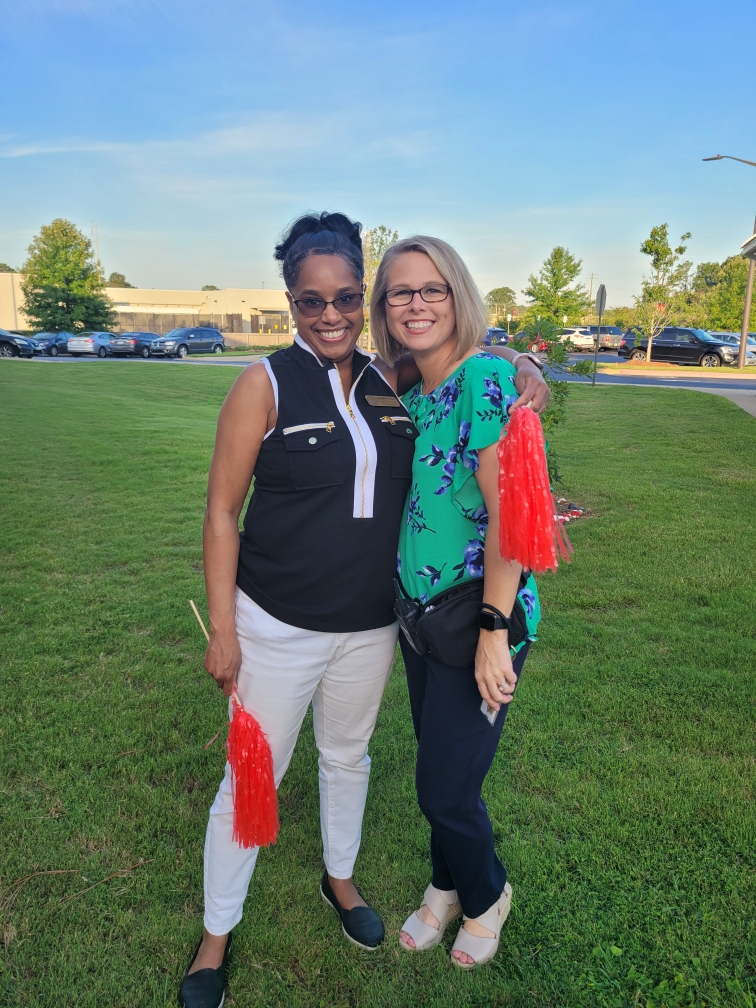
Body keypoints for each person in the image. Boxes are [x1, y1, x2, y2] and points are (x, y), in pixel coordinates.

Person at [178, 212, 548, 1008]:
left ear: (362, 299)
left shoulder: (386, 380)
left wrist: (520, 363)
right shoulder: (263, 384)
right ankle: (216, 934)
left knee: (348, 758)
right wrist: (224, 631)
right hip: (276, 624)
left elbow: (468, 364)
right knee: (251, 778)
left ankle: (340, 880)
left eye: (346, 297)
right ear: (291, 301)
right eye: (312, 301)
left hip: (377, 626)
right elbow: (220, 514)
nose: (331, 315)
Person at [370, 235, 541, 970]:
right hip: (422, 619)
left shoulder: (484, 381)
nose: (416, 304)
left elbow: (511, 521)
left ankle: (487, 893)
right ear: (384, 307)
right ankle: (444, 885)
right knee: (442, 765)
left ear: (458, 295)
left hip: (480, 617)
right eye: (400, 292)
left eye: (432, 289)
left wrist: (494, 631)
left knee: (445, 787)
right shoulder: (413, 393)